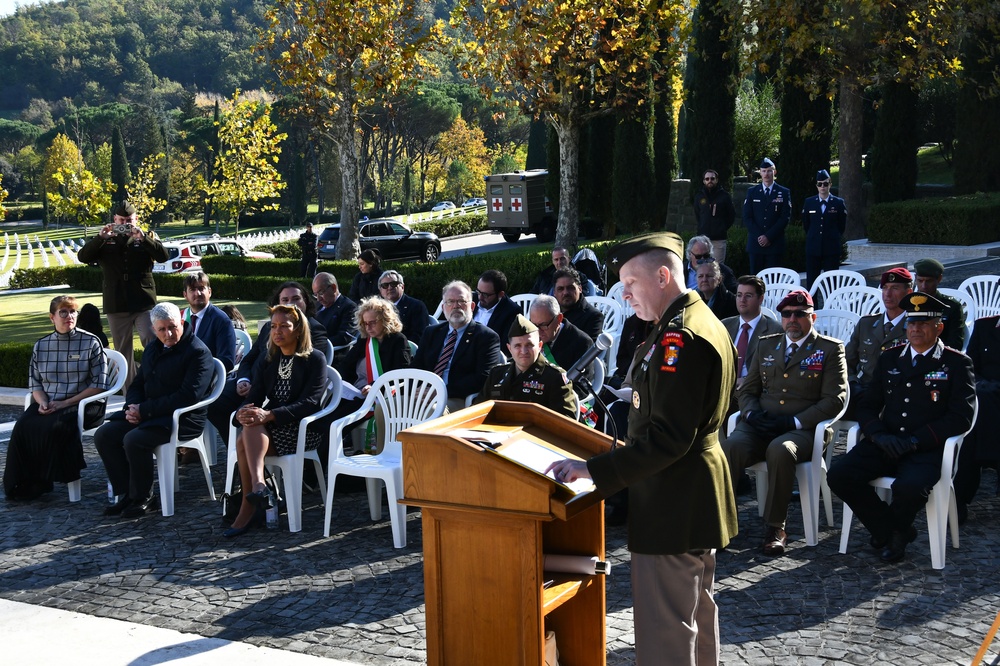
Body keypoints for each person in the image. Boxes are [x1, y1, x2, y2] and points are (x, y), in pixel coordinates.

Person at [546, 232, 737, 666]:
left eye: (631, 283)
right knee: (694, 617)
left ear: (664, 276)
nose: (624, 294)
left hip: (672, 498)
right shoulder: (694, 321)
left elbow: (667, 438)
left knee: (666, 631)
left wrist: (591, 470)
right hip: (690, 492)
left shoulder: (680, 338)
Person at [828, 292, 976, 562]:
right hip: (887, 442)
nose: (915, 329)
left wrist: (916, 441)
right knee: (839, 474)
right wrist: (878, 435)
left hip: (925, 448)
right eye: (911, 323)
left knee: (909, 488)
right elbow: (868, 405)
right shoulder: (890, 358)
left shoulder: (956, 363)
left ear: (938, 327)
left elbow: (960, 417)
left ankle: (892, 533)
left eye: (923, 324)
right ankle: (893, 529)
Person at [722, 289, 847, 556]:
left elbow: (835, 399)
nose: (792, 319)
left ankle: (775, 526)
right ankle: (720, 524)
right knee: (730, 447)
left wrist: (795, 421)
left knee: (781, 449)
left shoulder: (829, 349)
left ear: (812, 317)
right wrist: (751, 414)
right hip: (761, 424)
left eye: (799, 314)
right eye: (787, 314)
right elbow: (747, 390)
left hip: (804, 429)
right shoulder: (768, 344)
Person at [95, 302, 214, 520]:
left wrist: (144, 410)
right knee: (105, 434)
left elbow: (187, 396)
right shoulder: (153, 348)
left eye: (172, 327)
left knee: (134, 439)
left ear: (181, 321)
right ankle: (127, 494)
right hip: (150, 414)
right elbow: (138, 384)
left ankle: (144, 498)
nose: (168, 334)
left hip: (182, 419)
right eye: (162, 329)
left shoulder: (197, 352)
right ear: (154, 329)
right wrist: (132, 407)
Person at [224, 304, 328, 537]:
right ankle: (258, 487)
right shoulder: (268, 358)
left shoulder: (315, 359)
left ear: (299, 330)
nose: (277, 331)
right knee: (249, 423)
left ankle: (249, 504)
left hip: (302, 428)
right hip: (270, 427)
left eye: (284, 326)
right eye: (273, 326)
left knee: (245, 437)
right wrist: (242, 412)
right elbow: (254, 397)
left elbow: (310, 403)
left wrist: (269, 415)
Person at [3, 296, 110, 500]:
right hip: (50, 402)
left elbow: (98, 386)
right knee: (22, 427)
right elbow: (35, 383)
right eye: (63, 312)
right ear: (52, 317)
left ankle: (44, 481)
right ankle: (22, 482)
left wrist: (66, 402)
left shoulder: (91, 342)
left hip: (82, 403)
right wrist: (42, 402)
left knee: (52, 427)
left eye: (72, 312)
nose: (69, 316)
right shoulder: (41, 346)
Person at [205, 281, 329, 451]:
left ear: (306, 301)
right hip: (254, 385)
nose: (290, 304)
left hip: (280, 393)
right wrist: (244, 379)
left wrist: (260, 388)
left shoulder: (315, 332)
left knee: (250, 426)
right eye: (284, 300)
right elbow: (248, 360)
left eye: (296, 299)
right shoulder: (268, 330)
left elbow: (303, 377)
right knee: (217, 404)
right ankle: (235, 452)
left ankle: (248, 464)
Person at [76, 200, 169, 390]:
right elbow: (83, 257)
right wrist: (100, 238)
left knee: (151, 338)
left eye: (130, 220)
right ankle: (130, 397)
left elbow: (164, 256)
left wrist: (144, 239)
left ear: (136, 219)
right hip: (116, 302)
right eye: (122, 220)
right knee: (123, 352)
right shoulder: (105, 240)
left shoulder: (146, 236)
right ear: (114, 220)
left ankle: (159, 383)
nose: (126, 223)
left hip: (143, 301)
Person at [330, 297, 413, 455]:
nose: (368, 327)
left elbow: (401, 373)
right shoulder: (365, 341)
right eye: (365, 323)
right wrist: (337, 381)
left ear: (385, 319)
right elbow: (346, 366)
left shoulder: (398, 340)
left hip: (379, 397)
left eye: (373, 322)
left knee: (335, 423)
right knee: (324, 416)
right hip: (357, 394)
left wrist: (376, 385)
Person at [414, 281, 504, 412]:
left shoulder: (486, 337)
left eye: (461, 301)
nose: (456, 306)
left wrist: (441, 390)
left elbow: (483, 377)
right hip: (424, 394)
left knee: (430, 411)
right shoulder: (431, 333)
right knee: (387, 407)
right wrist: (415, 390)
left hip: (458, 398)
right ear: (444, 307)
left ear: (472, 306)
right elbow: (417, 366)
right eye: (450, 302)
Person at [476, 314, 576, 419]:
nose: (523, 351)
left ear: (540, 346)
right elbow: (478, 410)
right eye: (517, 346)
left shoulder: (555, 377)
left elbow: (566, 421)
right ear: (509, 349)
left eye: (529, 345)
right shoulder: (497, 374)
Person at [844, 267, 912, 417]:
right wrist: (853, 383)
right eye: (885, 288)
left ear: (909, 293)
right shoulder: (866, 324)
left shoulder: (915, 328)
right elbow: (846, 361)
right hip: (863, 390)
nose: (888, 294)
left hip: (896, 395)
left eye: (895, 288)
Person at [722, 275, 782, 390]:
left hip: (753, 390)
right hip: (724, 387)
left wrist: (748, 381)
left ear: (761, 299)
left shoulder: (775, 331)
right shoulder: (725, 325)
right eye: (739, 295)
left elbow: (775, 369)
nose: (742, 300)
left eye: (748, 296)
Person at [528, 295, 592, 387]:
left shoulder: (581, 343)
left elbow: (581, 387)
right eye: (533, 324)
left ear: (559, 319)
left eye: (543, 325)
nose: (538, 331)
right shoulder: (529, 334)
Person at [742, 157, 791, 274]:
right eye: (763, 171)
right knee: (755, 280)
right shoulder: (752, 192)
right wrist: (760, 236)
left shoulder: (783, 192)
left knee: (774, 280)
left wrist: (768, 236)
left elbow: (785, 218)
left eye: (769, 171)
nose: (766, 174)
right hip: (755, 244)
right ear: (760, 172)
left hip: (774, 244)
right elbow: (747, 217)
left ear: (774, 172)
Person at [181, 271, 236, 372]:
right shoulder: (179, 317)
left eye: (201, 288)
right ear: (185, 294)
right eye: (192, 289)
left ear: (209, 292)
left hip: (207, 378)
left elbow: (227, 361)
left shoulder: (221, 320)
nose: (197, 293)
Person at [802, 169, 848, 289]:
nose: (823, 187)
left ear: (830, 184)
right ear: (816, 185)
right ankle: (813, 306)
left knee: (832, 283)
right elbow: (806, 224)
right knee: (812, 282)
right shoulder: (809, 202)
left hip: (831, 248)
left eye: (825, 184)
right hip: (813, 248)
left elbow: (841, 226)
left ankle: (831, 305)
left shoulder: (838, 203)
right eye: (820, 184)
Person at [913, 258, 967, 350]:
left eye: (929, 281)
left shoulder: (951, 306)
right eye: (920, 281)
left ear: (939, 279)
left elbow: (956, 343)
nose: (924, 286)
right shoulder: (908, 304)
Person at [693, 169, 736, 262]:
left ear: (716, 180)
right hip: (702, 239)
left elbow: (731, 215)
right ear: (704, 181)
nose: (710, 181)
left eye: (712, 178)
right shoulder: (699, 196)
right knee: (702, 267)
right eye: (707, 179)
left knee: (717, 268)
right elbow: (698, 215)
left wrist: (722, 228)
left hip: (718, 240)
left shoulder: (724, 196)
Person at [377, 269, 429, 344]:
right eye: (385, 285)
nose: (389, 288)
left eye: (394, 284)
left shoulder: (416, 306)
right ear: (380, 291)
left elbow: (419, 336)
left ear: (402, 287)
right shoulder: (377, 308)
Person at [553, 267, 604, 341]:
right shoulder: (549, 313)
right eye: (560, 289)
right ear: (554, 292)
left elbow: (590, 349)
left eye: (570, 288)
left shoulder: (594, 316)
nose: (565, 293)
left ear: (580, 289)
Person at [474, 269, 520, 347]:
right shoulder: (472, 299)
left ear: (500, 294)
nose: (480, 297)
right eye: (478, 292)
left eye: (485, 295)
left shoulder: (512, 312)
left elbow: (504, 345)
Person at [312, 272, 358, 348]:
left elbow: (344, 337)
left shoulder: (349, 307)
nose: (318, 299)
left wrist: (318, 344)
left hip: (332, 353)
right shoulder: (318, 305)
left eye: (320, 292)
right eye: (315, 294)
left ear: (333, 288)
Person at [531, 246, 597, 296]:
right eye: (556, 260)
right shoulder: (544, 276)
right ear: (552, 261)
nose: (559, 262)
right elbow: (532, 296)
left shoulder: (580, 277)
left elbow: (583, 298)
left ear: (569, 259)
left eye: (562, 259)